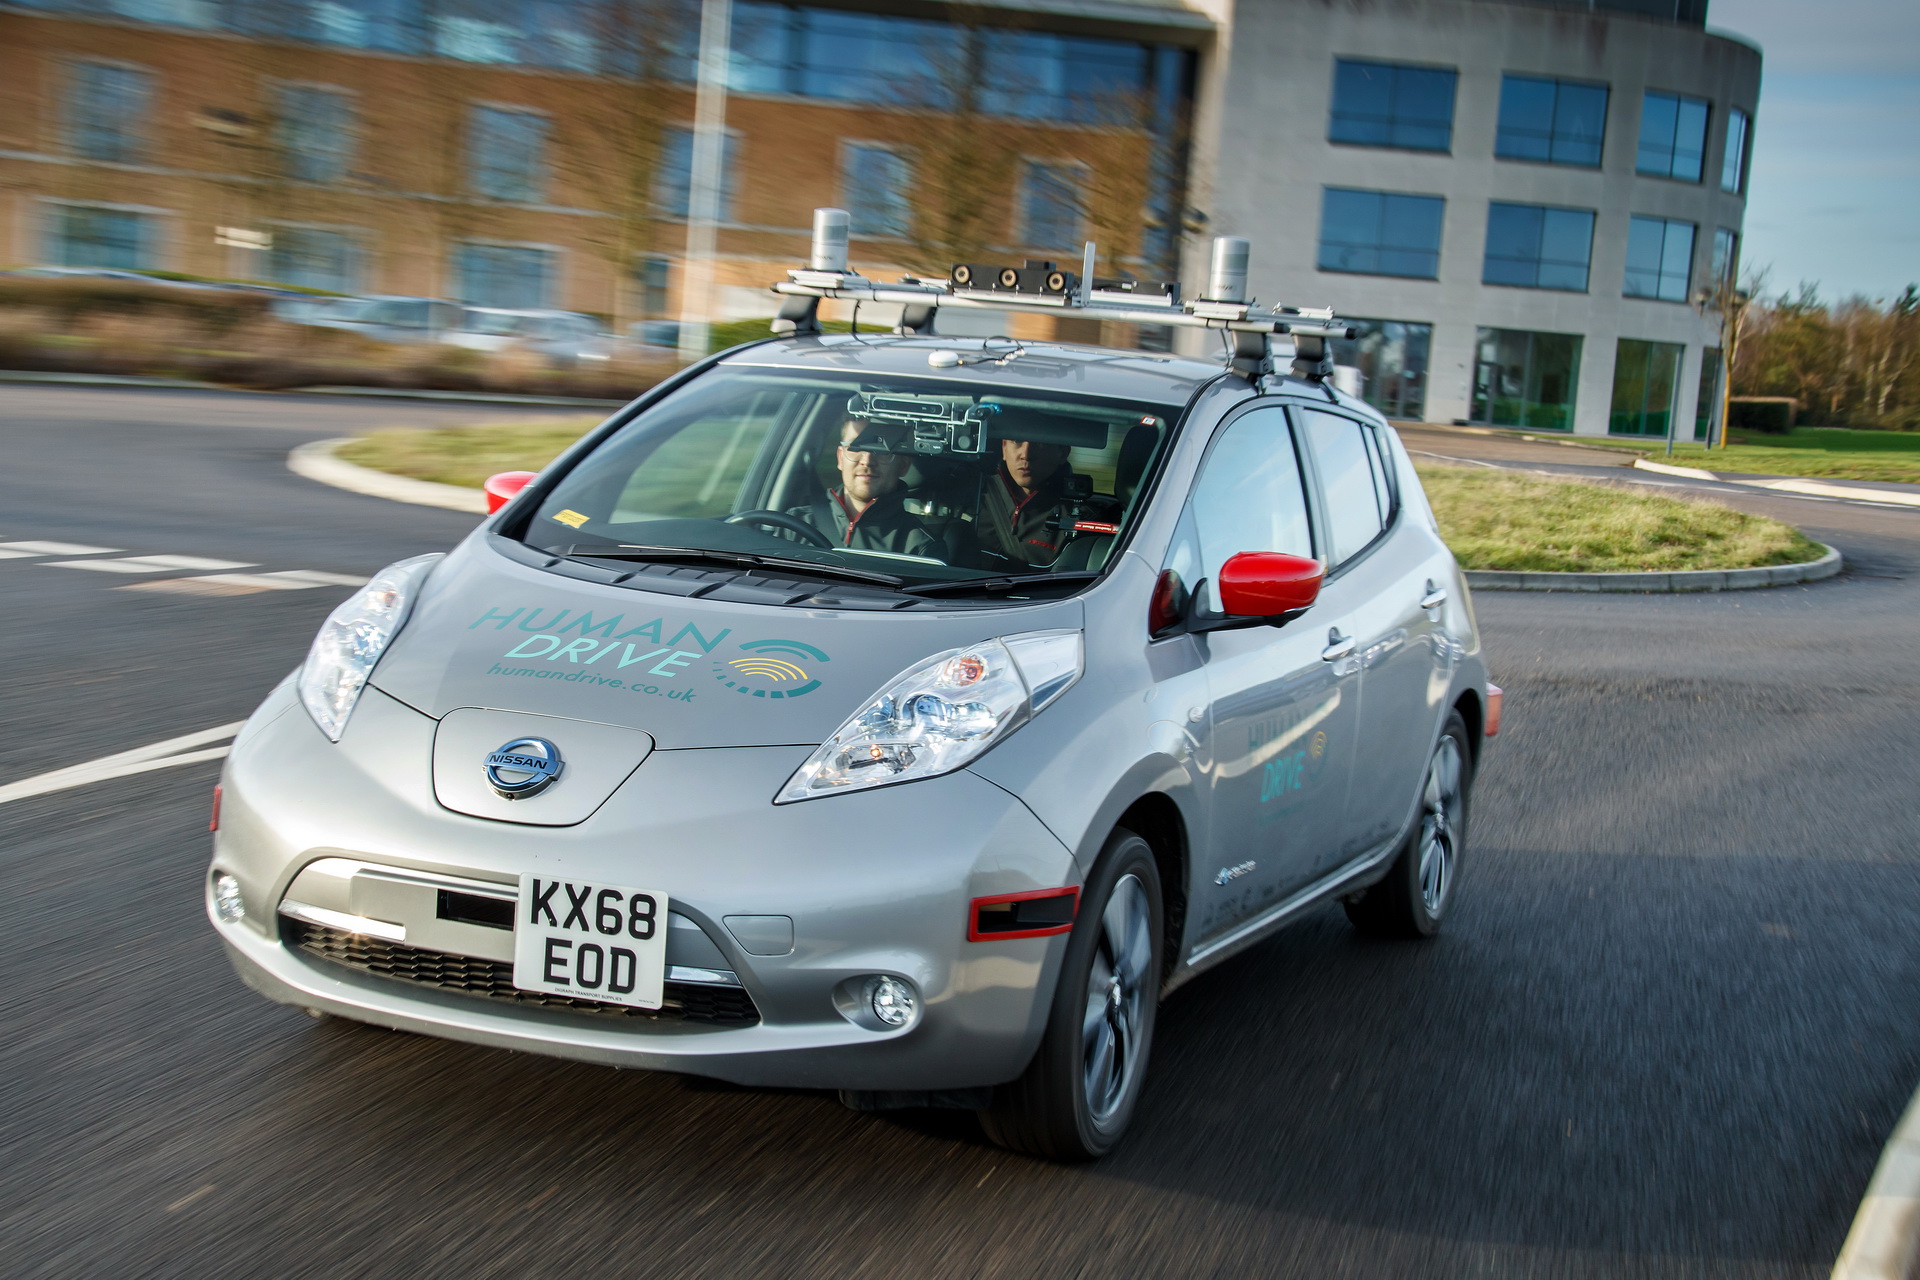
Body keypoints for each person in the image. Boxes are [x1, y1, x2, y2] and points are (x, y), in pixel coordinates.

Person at [786, 419, 937, 557]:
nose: (867, 461)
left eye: (881, 449)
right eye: (856, 447)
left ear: (903, 464)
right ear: (840, 458)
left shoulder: (919, 548)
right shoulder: (794, 525)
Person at [977, 434, 1076, 566]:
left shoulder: (1079, 522)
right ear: (1004, 448)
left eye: (1041, 443)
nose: (1026, 455)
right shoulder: (973, 498)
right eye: (1017, 440)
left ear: (1063, 453)